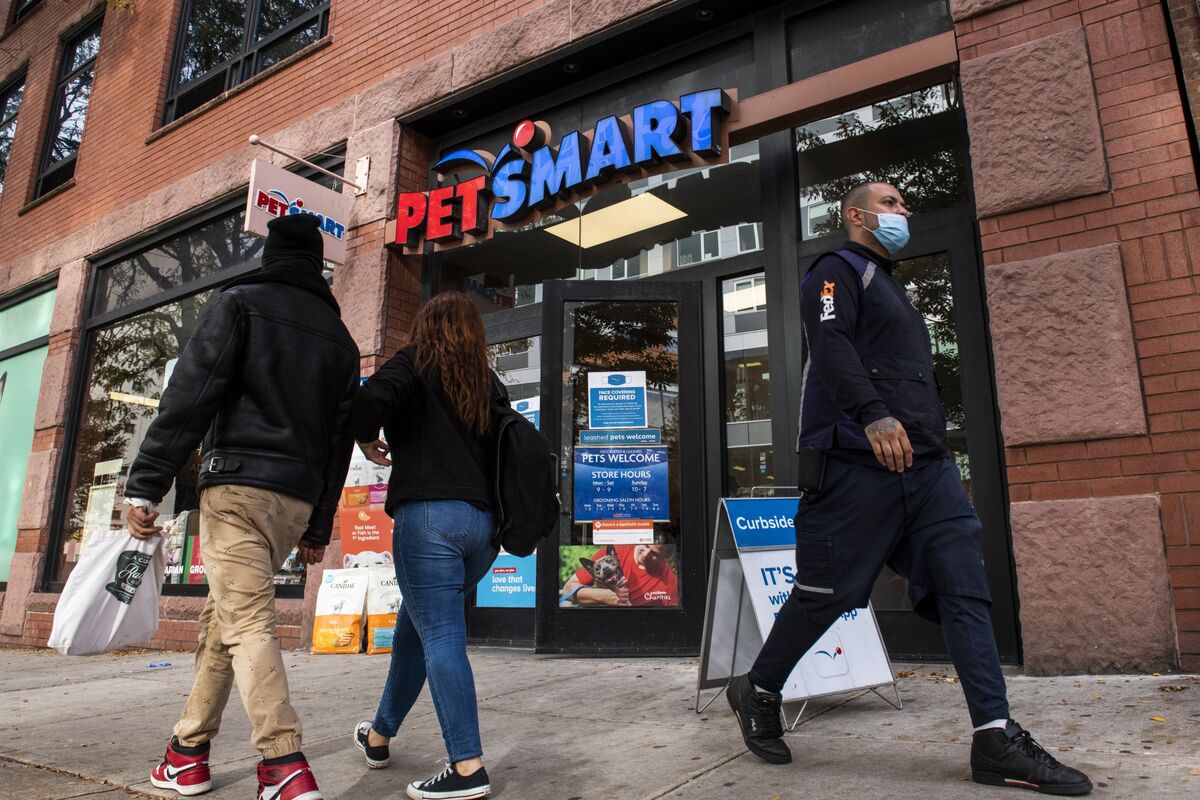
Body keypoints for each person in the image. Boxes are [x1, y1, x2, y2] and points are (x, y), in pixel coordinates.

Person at [726, 181, 1093, 796]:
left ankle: (995, 737)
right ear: (856, 215)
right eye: (891, 203)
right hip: (855, 465)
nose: (904, 212)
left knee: (964, 586)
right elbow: (830, 342)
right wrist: (872, 413)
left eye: (903, 203)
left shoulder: (894, 287)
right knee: (827, 595)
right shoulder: (837, 270)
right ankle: (758, 688)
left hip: (926, 470)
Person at [124, 214, 359, 800]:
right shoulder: (341, 340)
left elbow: (191, 396)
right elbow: (339, 442)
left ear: (271, 254)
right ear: (319, 266)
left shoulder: (241, 303)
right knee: (223, 620)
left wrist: (147, 483)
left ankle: (283, 765)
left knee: (246, 619)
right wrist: (320, 524)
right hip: (296, 503)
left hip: (237, 490)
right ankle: (187, 753)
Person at [350, 291, 508, 800]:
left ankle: (467, 768)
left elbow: (366, 402)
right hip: (482, 528)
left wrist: (365, 437)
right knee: (416, 630)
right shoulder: (487, 381)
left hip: (429, 517)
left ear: (426, 326)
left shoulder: (414, 361)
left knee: (439, 635)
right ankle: (378, 736)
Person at [559, 544, 679, 607]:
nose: (645, 554)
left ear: (666, 557)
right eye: (646, 545)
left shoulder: (669, 582)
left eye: (654, 553)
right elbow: (567, 590)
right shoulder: (616, 551)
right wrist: (605, 596)